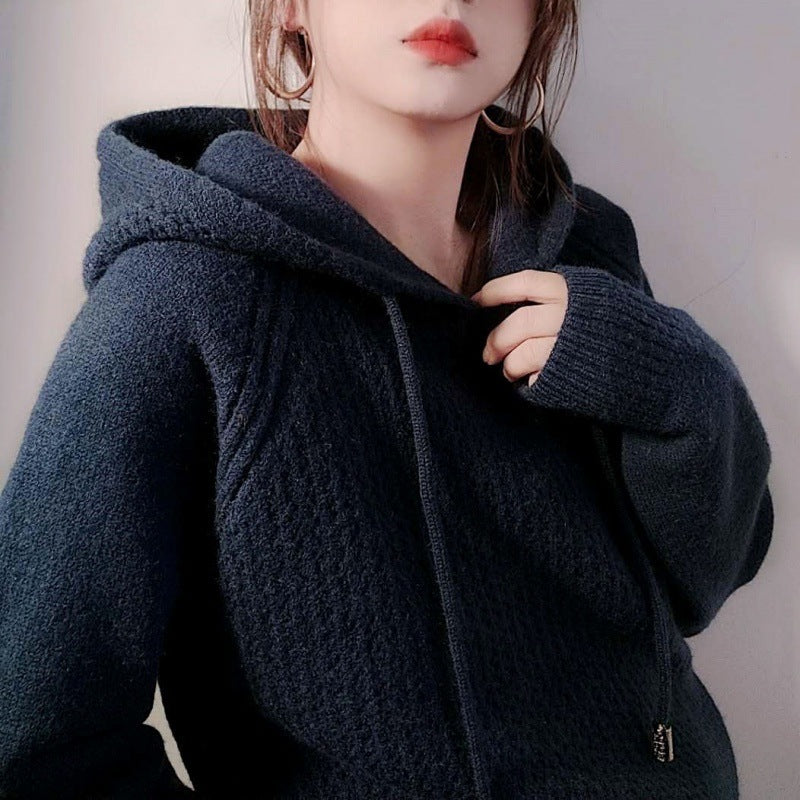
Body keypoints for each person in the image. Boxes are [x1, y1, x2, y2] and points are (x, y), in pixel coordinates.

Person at [0, 1, 774, 798]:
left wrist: (675, 380)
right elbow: (37, 742)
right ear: (293, 7)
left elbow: (709, 576)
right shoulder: (182, 297)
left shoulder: (585, 252)